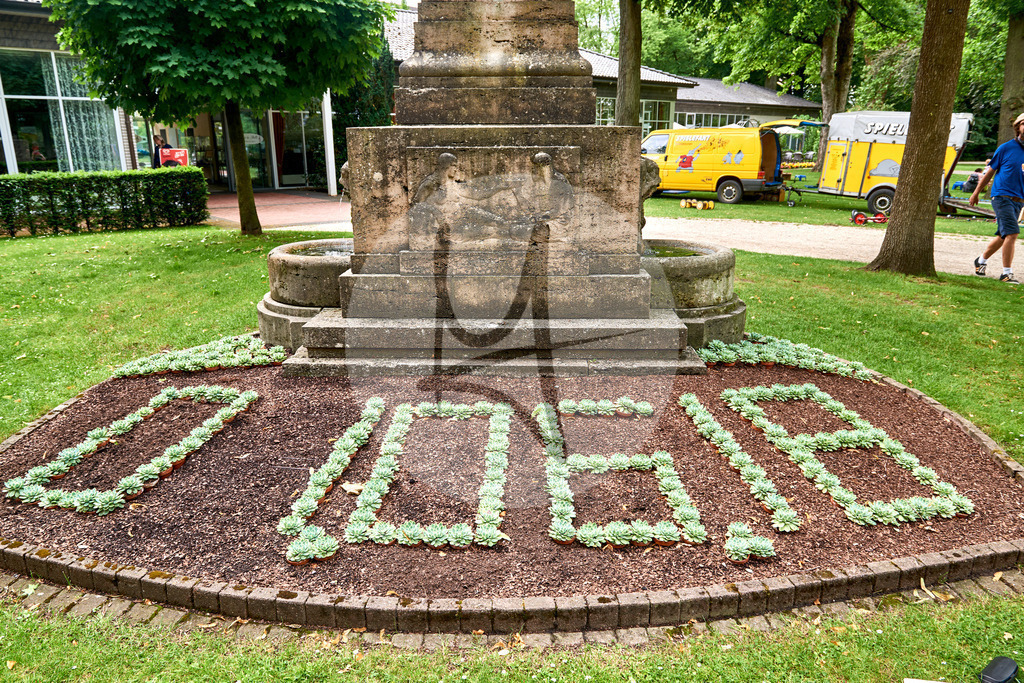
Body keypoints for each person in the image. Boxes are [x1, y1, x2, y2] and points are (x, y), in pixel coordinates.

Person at [970, 114, 1024, 284]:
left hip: (1019, 199)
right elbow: (989, 173)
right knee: (1013, 233)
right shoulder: (1006, 148)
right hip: (1001, 196)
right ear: (1018, 127)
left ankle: (981, 260)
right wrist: (976, 192)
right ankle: (1006, 273)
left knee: (1004, 235)